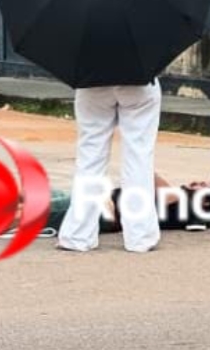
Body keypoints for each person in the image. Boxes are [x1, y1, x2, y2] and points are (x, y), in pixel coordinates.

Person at [56, 81, 162, 253]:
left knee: (90, 156)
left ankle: (77, 235)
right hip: (138, 81)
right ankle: (140, 236)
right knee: (139, 156)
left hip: (92, 79)